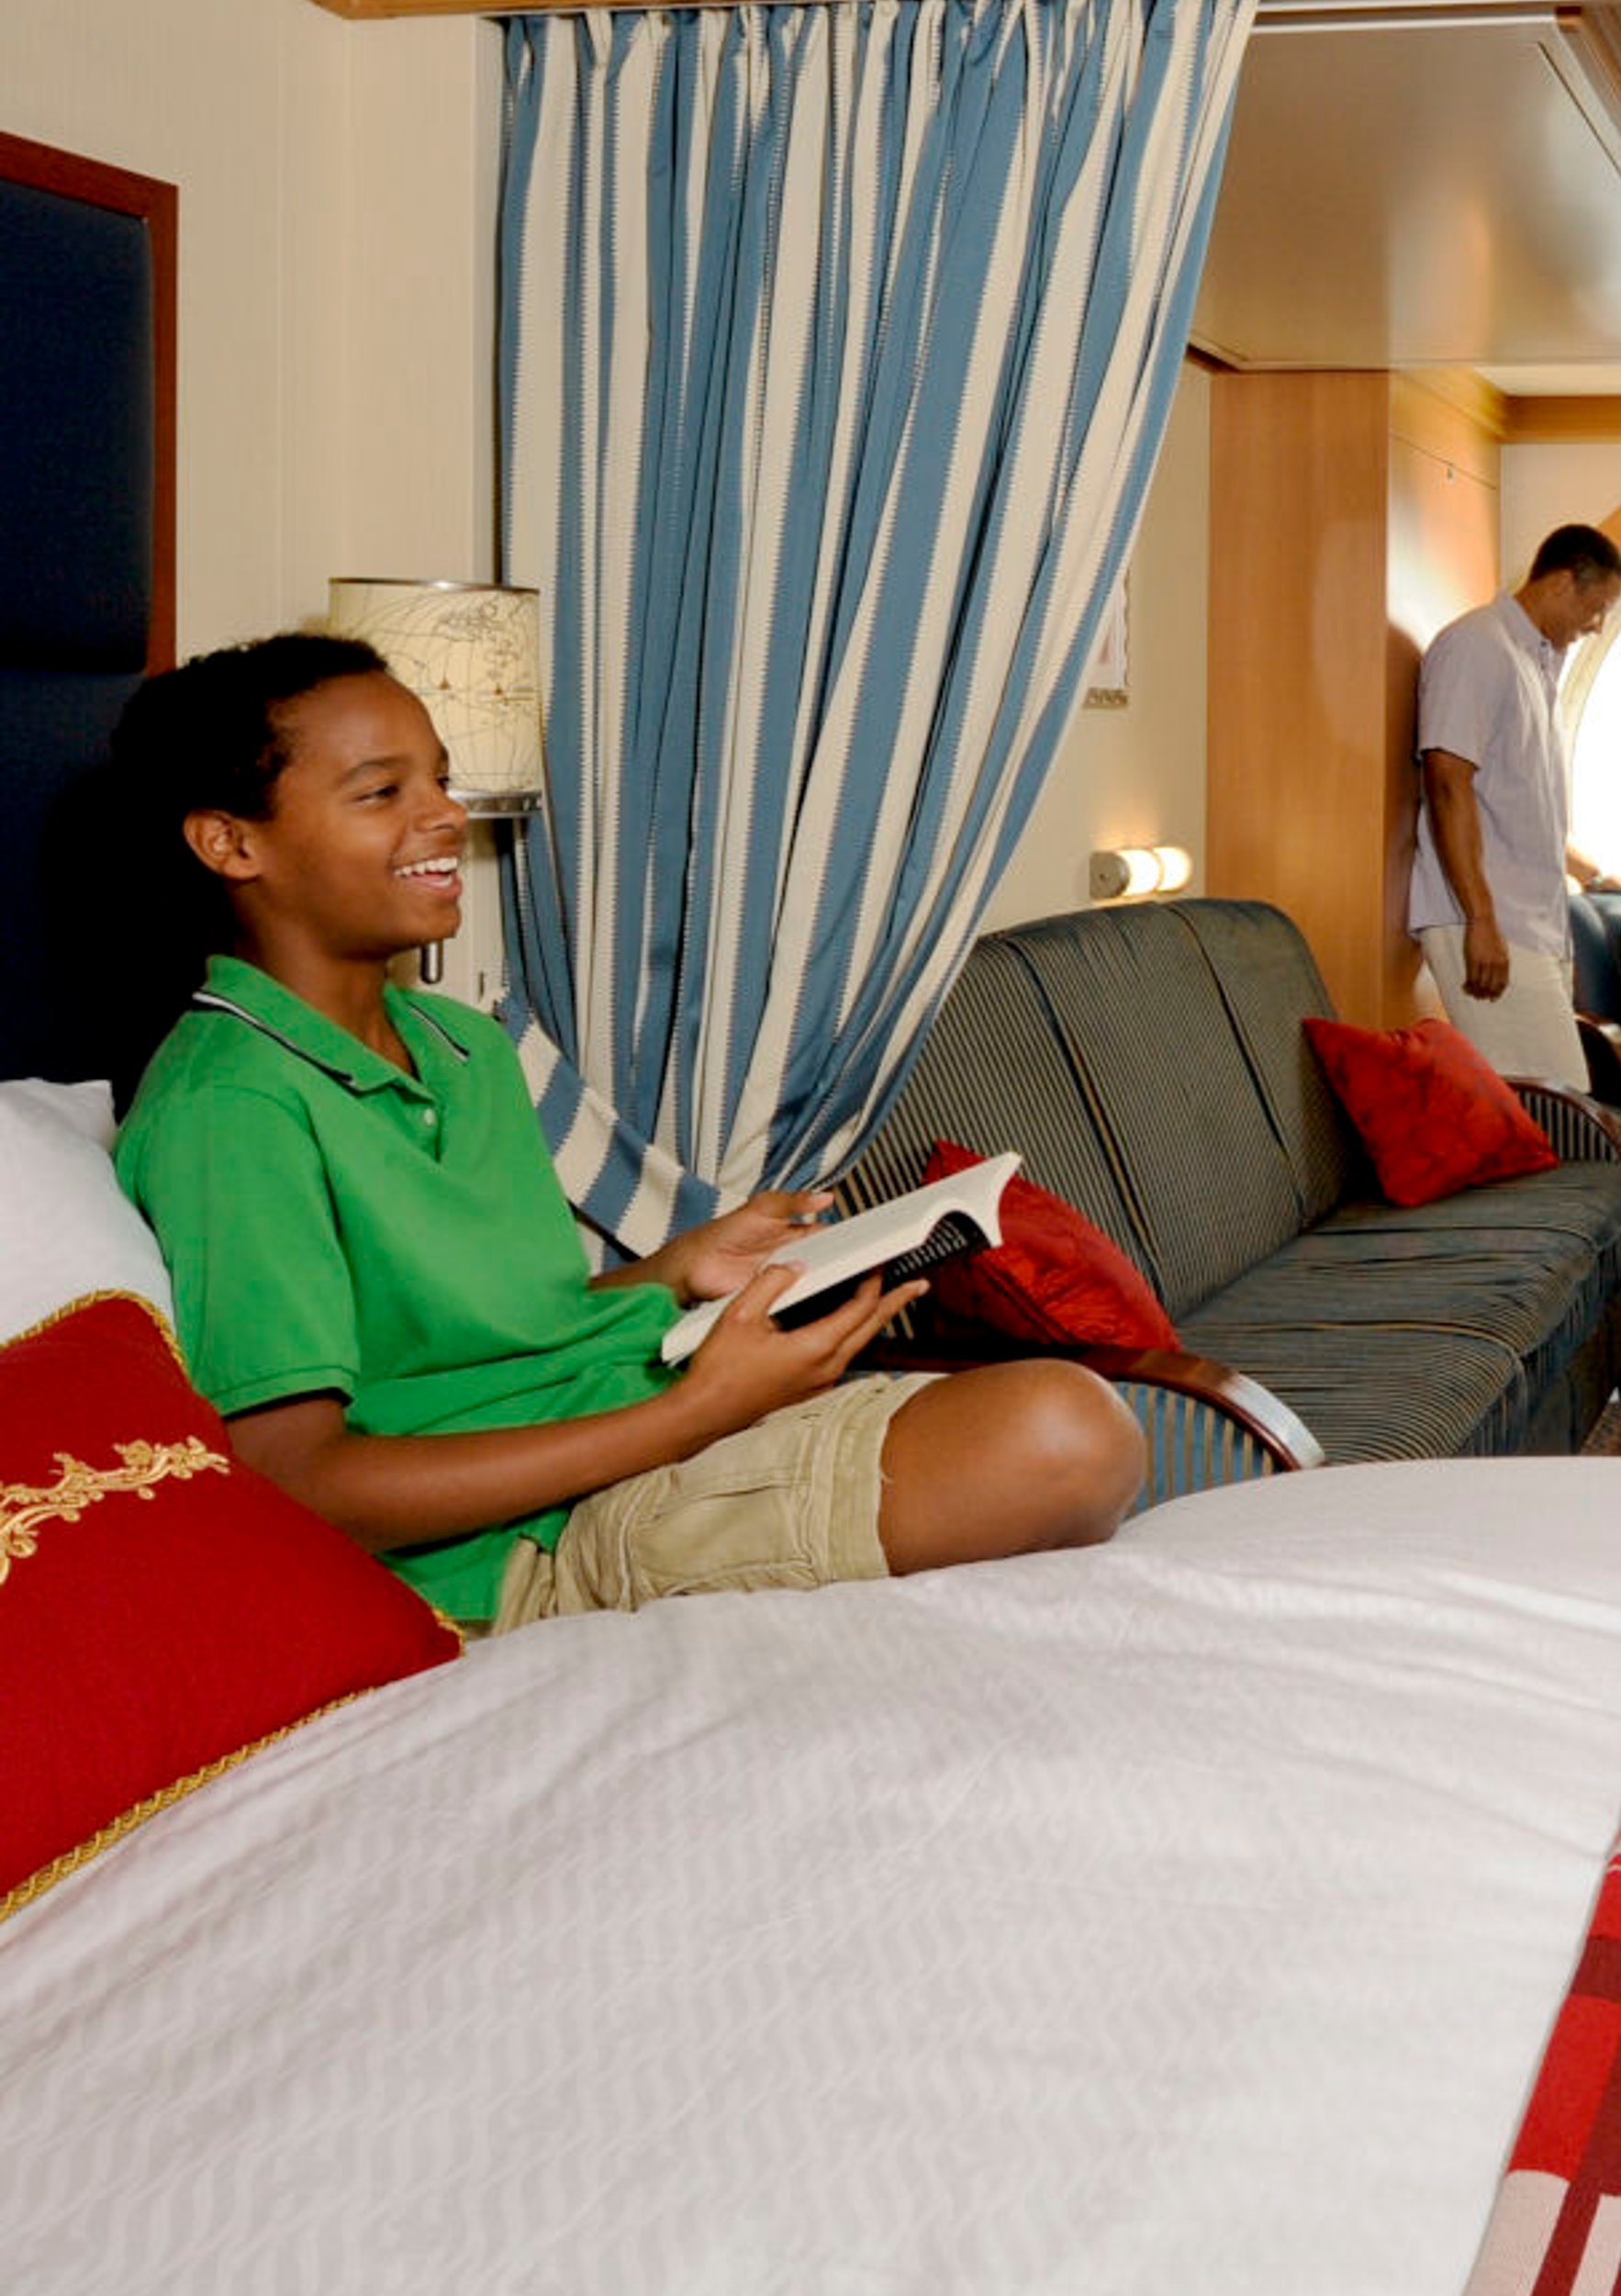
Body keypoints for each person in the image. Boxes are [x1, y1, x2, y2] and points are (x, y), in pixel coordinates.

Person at [109, 633, 1146, 1637]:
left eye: (439, 779)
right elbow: (298, 1481)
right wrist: (696, 1415)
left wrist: (676, 1272)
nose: (443, 816)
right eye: (384, 793)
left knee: (1070, 1434)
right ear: (230, 843)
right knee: (1063, 1437)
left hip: (641, 1426)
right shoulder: (231, 1108)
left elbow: (505, 1336)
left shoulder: (459, 1044)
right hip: (522, 1544)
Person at [1410, 525, 1621, 1092]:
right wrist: (1481, 920)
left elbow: (1523, 807)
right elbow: (1448, 781)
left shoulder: (1536, 663)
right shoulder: (1478, 645)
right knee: (1558, 1108)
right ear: (1562, 582)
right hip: (1487, 919)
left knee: (1553, 1108)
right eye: (1597, 606)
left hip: (1532, 926)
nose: (1597, 625)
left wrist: (1593, 875)